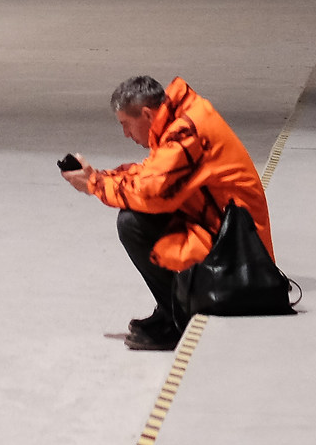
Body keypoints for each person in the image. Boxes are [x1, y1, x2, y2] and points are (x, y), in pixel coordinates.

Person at [63, 73, 276, 351]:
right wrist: (101, 176)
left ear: (147, 114)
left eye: (126, 124)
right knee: (139, 216)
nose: (126, 134)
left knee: (133, 223)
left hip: (241, 255)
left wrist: (94, 184)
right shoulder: (180, 119)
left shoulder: (186, 132)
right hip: (227, 234)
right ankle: (172, 309)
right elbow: (153, 175)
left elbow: (154, 193)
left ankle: (178, 321)